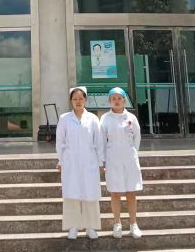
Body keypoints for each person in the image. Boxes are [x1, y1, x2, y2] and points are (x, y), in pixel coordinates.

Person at [56, 86, 104, 240]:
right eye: (75, 99)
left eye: (81, 98)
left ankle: (91, 226)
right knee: (72, 193)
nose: (78, 101)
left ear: (85, 100)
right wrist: (61, 161)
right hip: (70, 161)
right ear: (71, 101)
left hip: (89, 160)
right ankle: (73, 226)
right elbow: (60, 142)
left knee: (90, 193)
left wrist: (101, 162)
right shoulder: (64, 118)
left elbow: (99, 142)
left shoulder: (93, 118)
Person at [100, 86, 143, 239]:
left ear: (124, 100)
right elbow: (101, 141)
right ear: (109, 101)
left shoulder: (131, 117)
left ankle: (133, 223)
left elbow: (137, 137)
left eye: (119, 98)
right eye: (113, 99)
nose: (116, 101)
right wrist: (102, 161)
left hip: (129, 158)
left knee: (131, 192)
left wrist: (133, 152)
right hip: (113, 158)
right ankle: (117, 223)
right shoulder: (105, 118)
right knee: (115, 192)